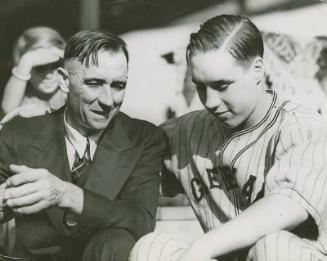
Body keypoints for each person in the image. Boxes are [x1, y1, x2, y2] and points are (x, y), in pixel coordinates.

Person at [133, 15, 327, 261]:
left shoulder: (303, 127)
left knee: (274, 247)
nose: (210, 101)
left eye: (222, 85)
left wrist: (202, 247)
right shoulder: (187, 130)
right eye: (201, 87)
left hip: (295, 254)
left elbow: (286, 208)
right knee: (152, 249)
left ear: (257, 70)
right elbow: (125, 153)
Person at [0, 29, 166, 261]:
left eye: (118, 85)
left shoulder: (143, 138)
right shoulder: (18, 133)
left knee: (117, 241)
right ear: (64, 81)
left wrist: (67, 194)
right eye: (94, 83)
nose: (108, 101)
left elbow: (141, 221)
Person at [1, 27, 66, 115]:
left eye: (55, 66)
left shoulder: (67, 92)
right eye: (39, 68)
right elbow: (8, 110)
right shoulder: (22, 96)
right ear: (25, 69)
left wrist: (68, 57)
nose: (48, 75)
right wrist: (26, 60)